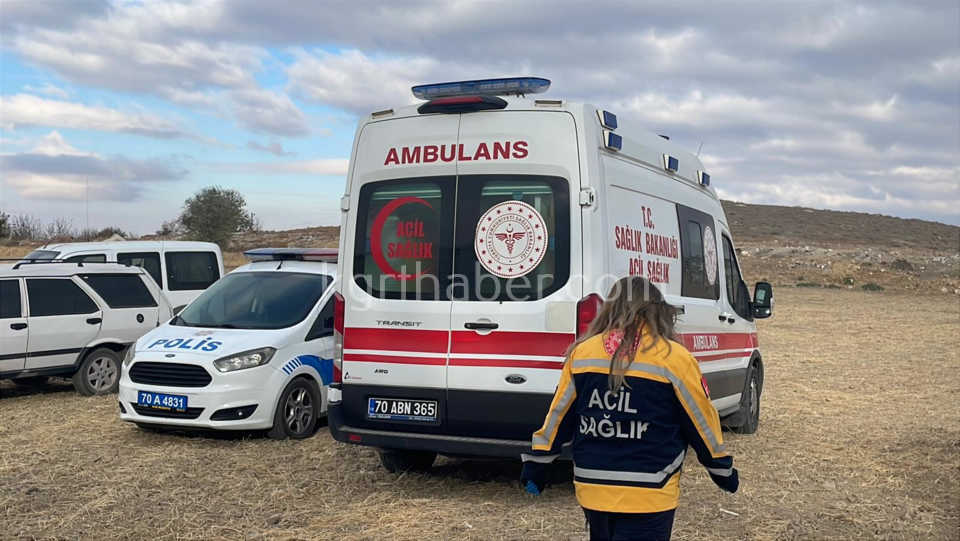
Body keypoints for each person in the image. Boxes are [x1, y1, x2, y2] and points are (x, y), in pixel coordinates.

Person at [521, 276, 739, 541]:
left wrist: (537, 465)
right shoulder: (675, 358)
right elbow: (701, 422)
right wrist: (721, 471)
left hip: (594, 487)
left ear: (609, 308)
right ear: (659, 311)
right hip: (651, 490)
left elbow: (558, 418)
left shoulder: (583, 354)